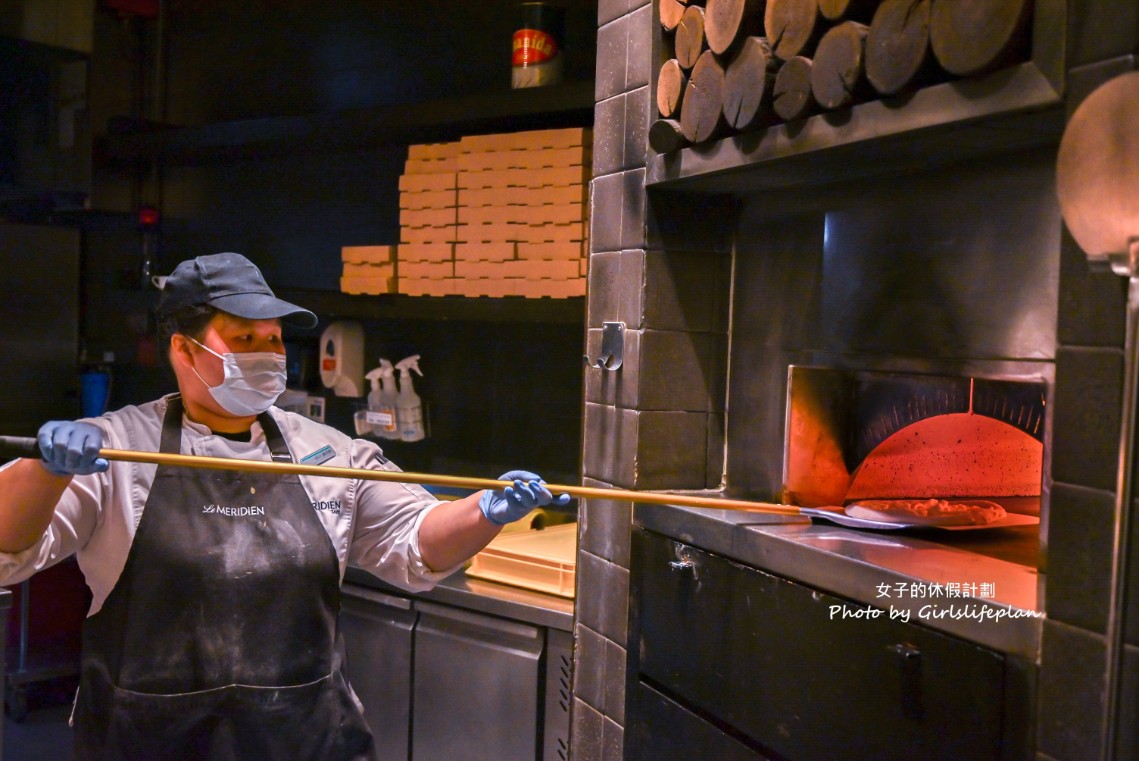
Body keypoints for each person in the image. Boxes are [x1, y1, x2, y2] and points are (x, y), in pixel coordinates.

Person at [0, 252, 569, 760]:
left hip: (305, 738)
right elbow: (9, 550)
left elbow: (415, 542)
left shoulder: (323, 452)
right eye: (243, 339)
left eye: (272, 339)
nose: (266, 354)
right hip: (149, 739)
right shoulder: (116, 447)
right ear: (182, 349)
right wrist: (43, 471)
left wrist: (483, 512)